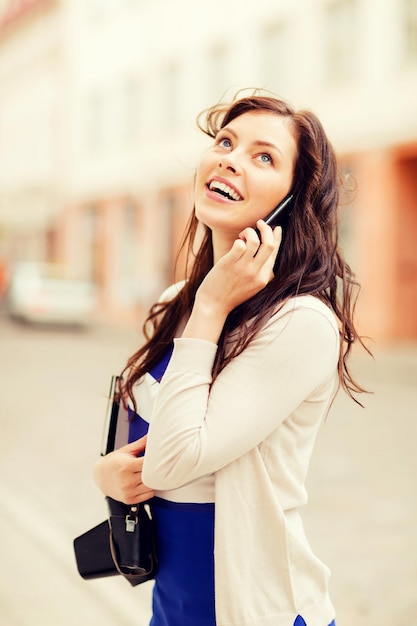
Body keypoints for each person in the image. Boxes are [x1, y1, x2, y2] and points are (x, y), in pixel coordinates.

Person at [93, 92, 369, 626]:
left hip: (255, 609)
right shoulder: (181, 302)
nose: (230, 158)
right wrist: (109, 474)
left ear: (294, 200)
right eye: (225, 142)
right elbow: (150, 441)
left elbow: (174, 459)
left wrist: (214, 305)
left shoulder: (301, 324)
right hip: (172, 605)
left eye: (264, 157)